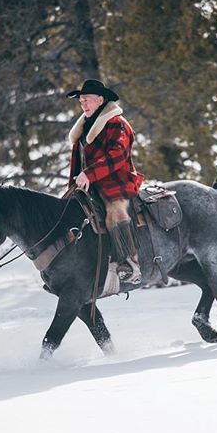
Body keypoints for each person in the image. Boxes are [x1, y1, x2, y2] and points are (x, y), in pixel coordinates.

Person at [66, 79, 144, 284]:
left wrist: (90, 174)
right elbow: (78, 164)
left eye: (87, 100)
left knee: (114, 213)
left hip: (116, 185)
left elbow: (117, 155)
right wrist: (71, 189)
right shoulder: (83, 128)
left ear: (101, 100)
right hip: (87, 187)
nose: (83, 104)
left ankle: (130, 264)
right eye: (81, 101)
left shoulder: (118, 124)